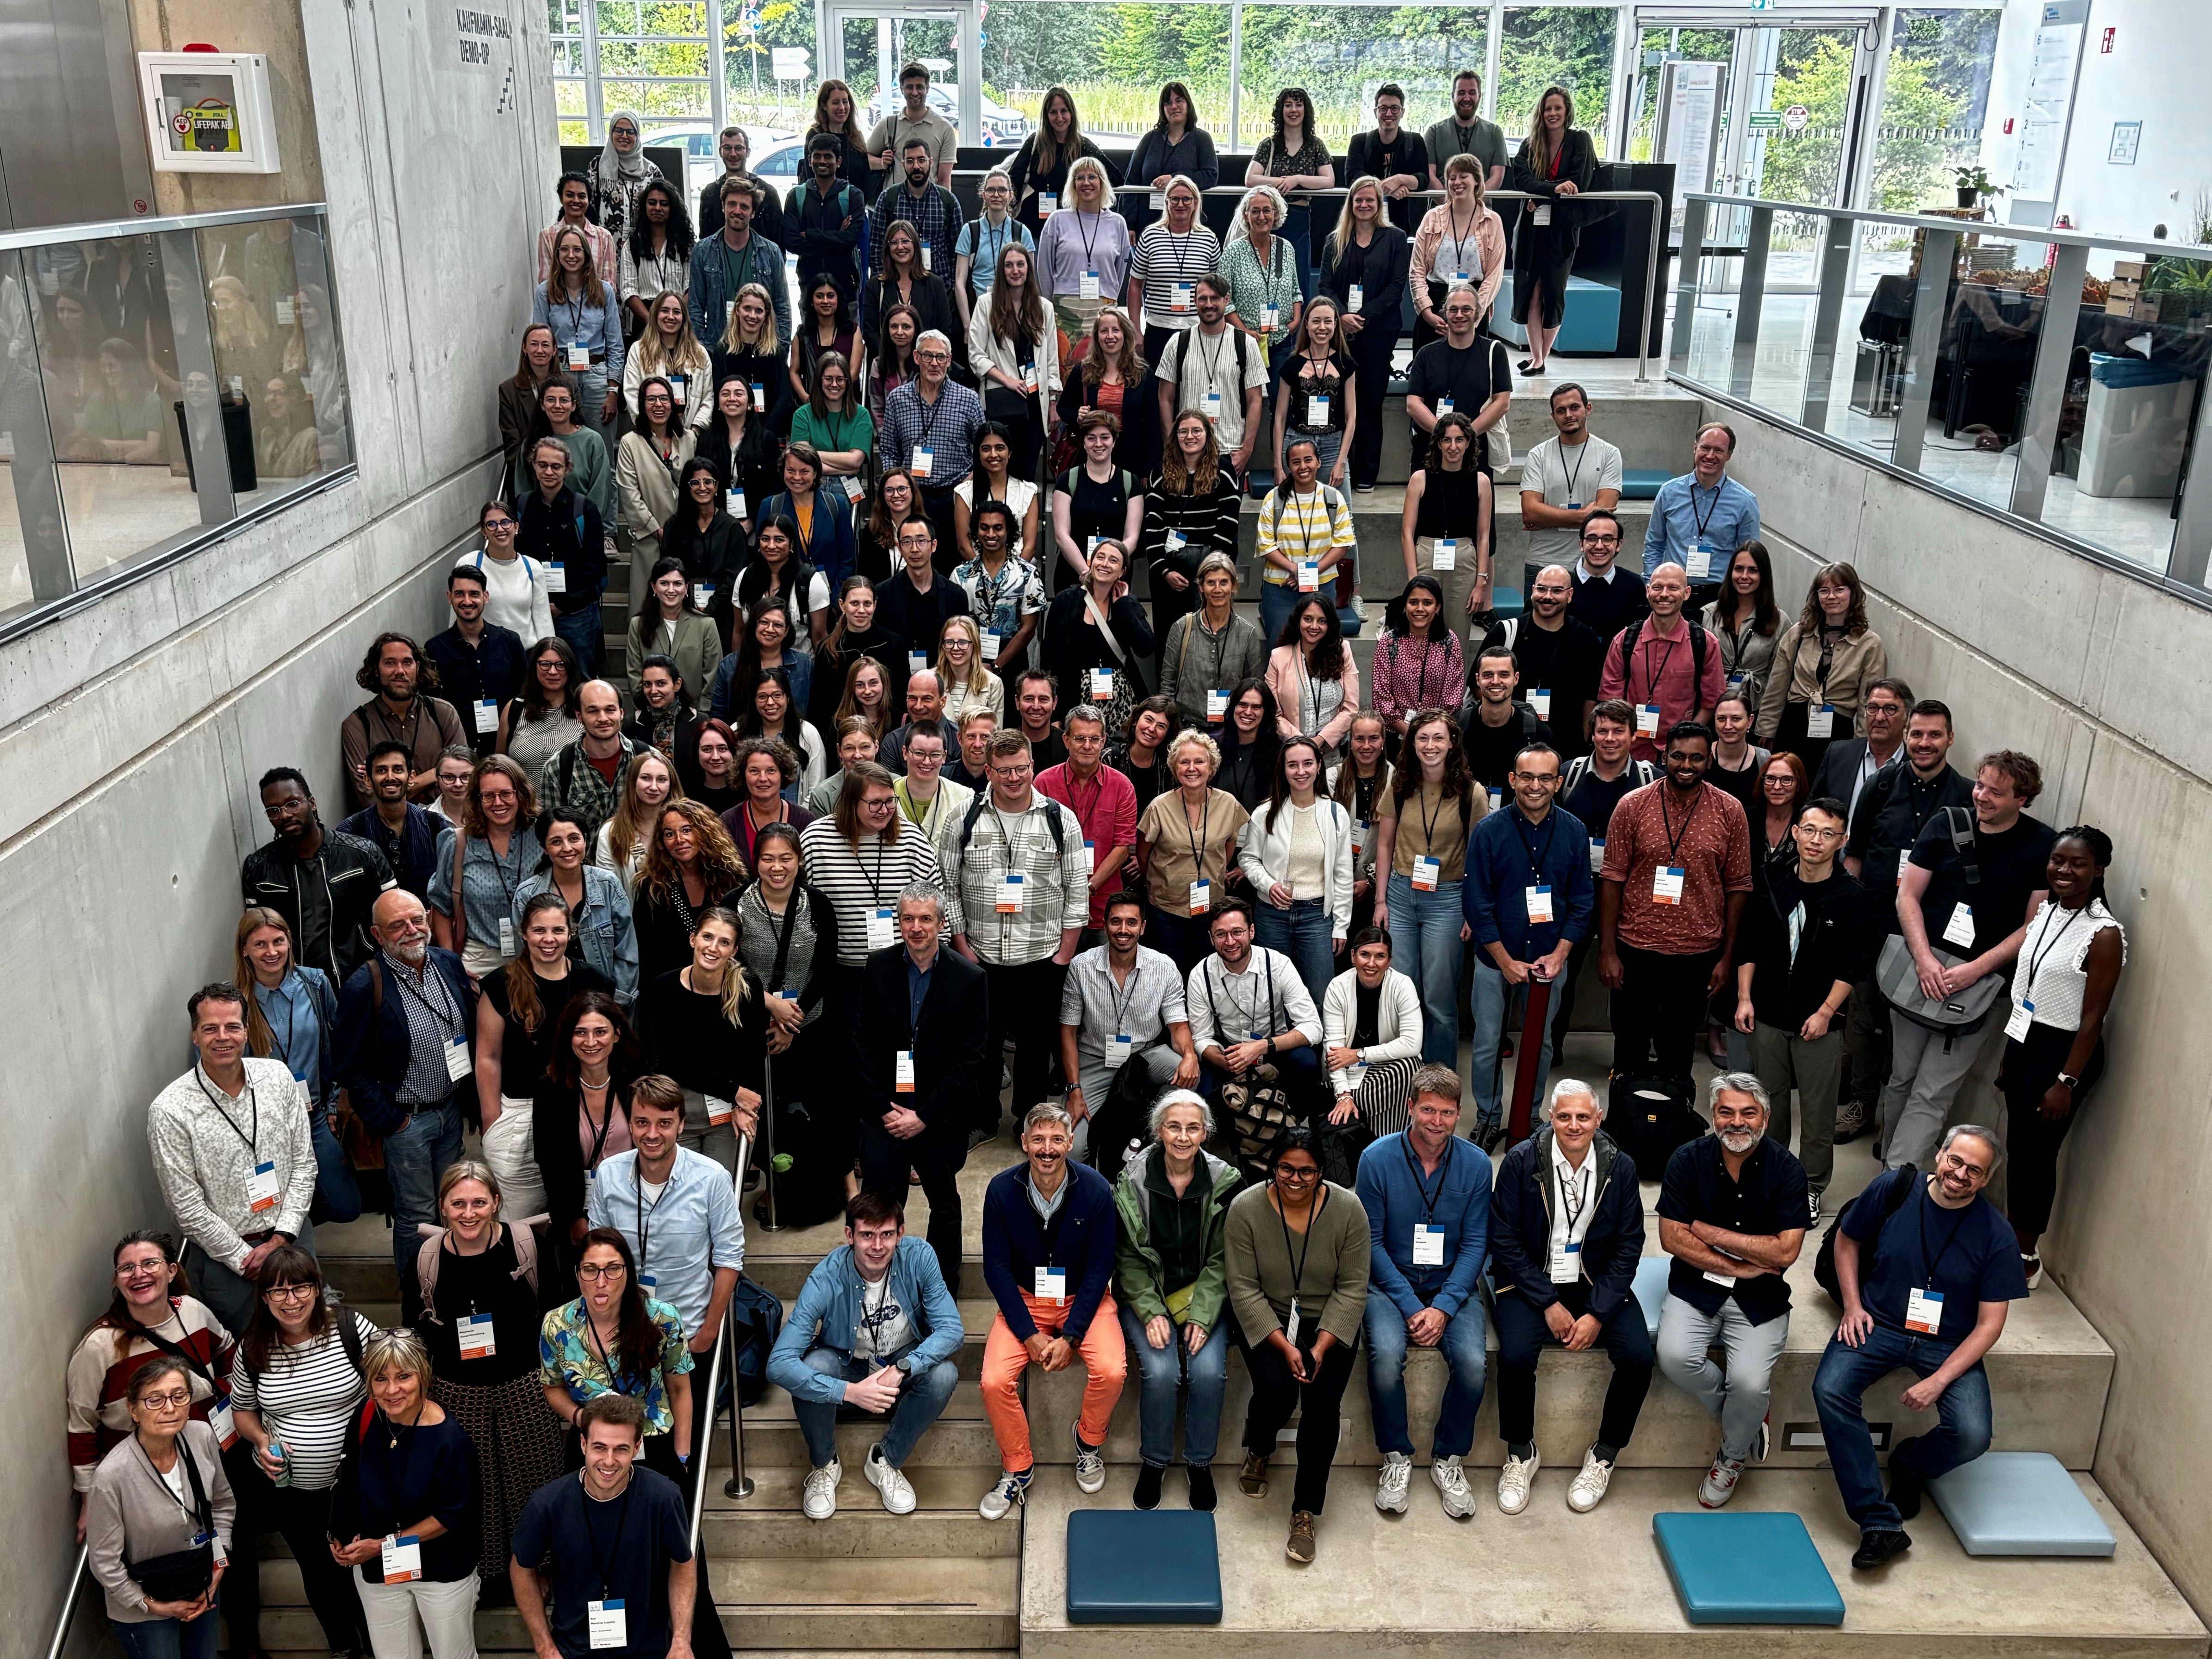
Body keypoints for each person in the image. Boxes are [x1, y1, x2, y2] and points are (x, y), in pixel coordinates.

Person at [1814, 1125, 2027, 1570]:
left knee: (1972, 1434)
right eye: (1956, 1160)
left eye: (1975, 1170)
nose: (1961, 1174)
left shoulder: (1997, 1233)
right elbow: (1847, 1240)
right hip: (1880, 1322)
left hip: (1948, 1342)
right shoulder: (1894, 1187)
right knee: (1830, 1389)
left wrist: (1939, 1380)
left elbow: (1990, 1325)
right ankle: (1878, 1521)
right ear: (1940, 1154)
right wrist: (1852, 1305)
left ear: (1987, 1179)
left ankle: (1911, 1463)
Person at [1883, 751, 2057, 1170]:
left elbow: (2033, 926)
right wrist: (1924, 960)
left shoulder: (2042, 845)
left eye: (1996, 792)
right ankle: (1890, 1175)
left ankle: (1894, 1181)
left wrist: (1975, 970)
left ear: (2022, 799)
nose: (1981, 796)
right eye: (1980, 785)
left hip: (1981, 988)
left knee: (1933, 1092)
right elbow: (1908, 895)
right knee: (1902, 1079)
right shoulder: (1945, 824)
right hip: (1920, 972)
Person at [1488, 1080, 1651, 1513]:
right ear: (1551, 1118)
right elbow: (1504, 1240)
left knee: (1638, 1356)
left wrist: (1597, 1312)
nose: (1574, 1125)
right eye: (1564, 1116)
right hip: (1530, 1279)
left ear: (1599, 1118)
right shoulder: (1521, 1161)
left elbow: (1629, 1244)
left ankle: (1604, 1454)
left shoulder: (1621, 1166)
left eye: (1583, 1116)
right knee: (1515, 1356)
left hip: (1595, 1279)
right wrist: (1548, 1302)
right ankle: (1521, 1452)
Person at [1654, 1075, 1811, 1508]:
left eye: (1748, 1113)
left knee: (1750, 1381)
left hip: (1761, 1297)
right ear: (1714, 1115)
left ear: (1766, 1117)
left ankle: (1733, 1454)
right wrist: (1738, 1265)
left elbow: (1786, 1251)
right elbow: (1671, 1237)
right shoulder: (1687, 1160)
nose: (1737, 1122)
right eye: (1726, 1111)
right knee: (1674, 1358)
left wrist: (1708, 1232)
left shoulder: (1788, 1170)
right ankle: (1745, 1415)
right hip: (1696, 1285)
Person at [767, 1190, 964, 1520]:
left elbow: (951, 1330)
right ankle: (824, 1464)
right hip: (848, 1371)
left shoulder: (920, 1256)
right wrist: (849, 1391)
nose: (877, 1246)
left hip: (897, 1371)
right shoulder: (826, 1277)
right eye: (867, 1235)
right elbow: (779, 1363)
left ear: (900, 1233)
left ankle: (886, 1460)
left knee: (944, 1374)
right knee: (816, 1364)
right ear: (850, 1235)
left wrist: (903, 1368)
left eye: (887, 1234)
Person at [1223, 1126, 1369, 1562]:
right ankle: (1259, 1447)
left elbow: (1353, 1286)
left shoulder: (1349, 1210)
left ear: (1321, 1172)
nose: (1296, 1179)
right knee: (1278, 1389)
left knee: (1322, 1405)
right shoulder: (1245, 1208)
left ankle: (1305, 1510)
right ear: (1273, 1167)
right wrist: (1286, 1347)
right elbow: (1243, 1288)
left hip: (1330, 1318)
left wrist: (1321, 1346)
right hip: (1267, 1314)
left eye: (1307, 1171)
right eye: (1286, 1168)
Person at [976, 1103, 1127, 1520]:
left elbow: (1101, 1266)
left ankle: (1088, 1439)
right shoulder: (1001, 1190)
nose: (1048, 1149)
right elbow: (996, 1268)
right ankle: (1018, 1465)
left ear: (1070, 1142)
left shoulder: (1096, 1189)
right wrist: (1029, 1334)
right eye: (1039, 1139)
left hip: (1083, 1298)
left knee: (1112, 1370)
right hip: (1026, 1298)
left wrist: (1071, 1336)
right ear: (1025, 1142)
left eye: (1057, 1139)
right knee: (993, 1380)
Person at [1354, 1065, 1491, 1518]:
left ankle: (1449, 1458)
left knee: (1473, 1364)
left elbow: (1476, 1244)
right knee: (1386, 1357)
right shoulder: (1375, 1159)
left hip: (1452, 1285)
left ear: (1459, 1113)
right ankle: (1396, 1456)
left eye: (1447, 1113)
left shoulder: (1476, 1164)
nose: (1437, 1121)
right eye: (1428, 1110)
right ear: (1410, 1107)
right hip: (1389, 1286)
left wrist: (1444, 1307)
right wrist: (1413, 1307)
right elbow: (1370, 1243)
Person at [230, 1246, 377, 1659]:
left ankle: (380, 1647)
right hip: (291, 1490)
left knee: (362, 1566)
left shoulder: (350, 1327)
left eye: (300, 1288)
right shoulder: (253, 1347)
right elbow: (242, 1410)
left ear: (317, 1288)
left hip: (357, 1483)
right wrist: (260, 1439)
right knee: (317, 1569)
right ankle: (343, 1646)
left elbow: (390, 1382)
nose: (291, 1300)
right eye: (278, 1291)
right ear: (264, 1297)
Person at [149, 983, 319, 1336]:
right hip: (227, 1264)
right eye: (211, 1028)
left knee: (307, 1339)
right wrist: (244, 1258)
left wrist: (282, 1238)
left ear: (246, 1030)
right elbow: (185, 1207)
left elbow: (304, 1164)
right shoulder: (170, 1110)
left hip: (293, 1239)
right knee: (247, 1352)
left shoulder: (278, 1078)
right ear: (195, 1035)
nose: (223, 1037)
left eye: (232, 1026)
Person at [942, 729, 1088, 1131]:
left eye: (1021, 768)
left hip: (1041, 956)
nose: (1013, 778)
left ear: (1032, 767)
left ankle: (1029, 1117)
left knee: (1036, 1047)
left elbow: (1077, 890)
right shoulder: (963, 817)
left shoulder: (1060, 819)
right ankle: (983, 1120)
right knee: (981, 1046)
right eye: (1003, 770)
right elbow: (947, 888)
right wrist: (963, 948)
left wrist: (1063, 955)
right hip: (980, 956)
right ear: (988, 771)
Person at [1839, 698, 1968, 1141]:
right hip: (1876, 925)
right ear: (1906, 736)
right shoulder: (1880, 786)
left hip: (1931, 937)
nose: (1924, 743)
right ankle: (1861, 1105)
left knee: (1911, 1026)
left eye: (1935, 734)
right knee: (1867, 1017)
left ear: (1950, 738)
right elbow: (1855, 855)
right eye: (1917, 734)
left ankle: (1897, 1123)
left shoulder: (1966, 798)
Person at [1596, 722, 1752, 1087]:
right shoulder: (1632, 805)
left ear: (1710, 760)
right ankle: (1626, 1113)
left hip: (1697, 954)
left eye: (1697, 758)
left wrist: (1727, 957)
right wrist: (1607, 950)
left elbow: (1738, 886)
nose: (1686, 765)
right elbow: (1612, 879)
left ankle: (1674, 1116)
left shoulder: (1730, 811)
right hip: (1636, 948)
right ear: (1664, 756)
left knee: (1679, 1050)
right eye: (1678, 756)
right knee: (1629, 1046)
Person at [1735, 795, 1870, 1218]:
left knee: (1817, 1111)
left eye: (1828, 834)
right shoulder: (1771, 879)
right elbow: (1750, 941)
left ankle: (1809, 1185)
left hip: (1820, 1020)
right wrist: (1744, 997)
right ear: (1795, 832)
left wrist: (1827, 1012)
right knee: (1768, 1102)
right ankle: (1771, 1175)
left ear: (1842, 841)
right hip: (1767, 1013)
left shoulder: (1851, 896)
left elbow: (1854, 963)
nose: (1816, 840)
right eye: (1809, 830)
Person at [1999, 827, 2123, 1283]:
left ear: (2099, 870)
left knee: (2037, 1155)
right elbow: (2029, 986)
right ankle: (2011, 1237)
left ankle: (2026, 1256)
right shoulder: (2045, 910)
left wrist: (2065, 1081)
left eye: (2078, 863)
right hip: (2025, 1039)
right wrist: (2012, 1050)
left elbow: (2093, 1020)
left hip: (2064, 1053)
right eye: (2058, 860)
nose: (2064, 870)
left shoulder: (2103, 934)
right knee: (2018, 1147)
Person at [854, 884, 988, 1290]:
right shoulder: (878, 967)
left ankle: (941, 1288)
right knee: (878, 1207)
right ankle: (876, 1284)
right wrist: (884, 1109)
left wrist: (924, 1116)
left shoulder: (970, 977)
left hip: (940, 1114)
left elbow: (972, 1057)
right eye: (908, 918)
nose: (916, 927)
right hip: (885, 1112)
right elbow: (863, 1041)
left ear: (942, 923)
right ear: (899, 922)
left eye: (926, 919)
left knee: (944, 1205)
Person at [1110, 1090, 1238, 1511]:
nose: (1183, 1137)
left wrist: (1203, 1314)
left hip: (1206, 1295)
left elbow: (1224, 1259)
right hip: (1147, 1295)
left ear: (1205, 1133)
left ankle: (1199, 1462)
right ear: (1159, 1131)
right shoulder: (1132, 1180)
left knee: (1208, 1372)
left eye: (1193, 1128)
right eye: (1174, 1127)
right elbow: (1128, 1258)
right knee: (1162, 1371)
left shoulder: (1223, 1180)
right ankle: (1155, 1461)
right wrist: (1150, 1311)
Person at [336, 891, 473, 1280]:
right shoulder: (365, 985)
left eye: (417, 919)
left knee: (451, 1204)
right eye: (397, 925)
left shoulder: (448, 963)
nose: (411, 930)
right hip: (407, 1122)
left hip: (450, 1111)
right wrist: (392, 1122)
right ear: (378, 935)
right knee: (417, 1213)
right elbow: (349, 1067)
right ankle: (418, 1293)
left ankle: (448, 1281)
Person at [67, 1233, 236, 1541]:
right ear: (117, 1280)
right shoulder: (100, 1346)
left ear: (171, 1271)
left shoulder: (193, 1311)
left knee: (231, 1542)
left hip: (209, 1458)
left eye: (149, 1263)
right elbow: (82, 1427)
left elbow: (227, 1351)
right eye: (127, 1268)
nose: (139, 1274)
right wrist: (90, 1497)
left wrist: (223, 1396)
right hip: (146, 1477)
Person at [1463, 743, 1593, 1142]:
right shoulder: (1488, 831)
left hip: (1549, 957)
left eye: (1545, 778)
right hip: (1494, 958)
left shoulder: (1574, 831)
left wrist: (1560, 954)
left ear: (1558, 782)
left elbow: (1582, 901)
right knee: (1487, 1042)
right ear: (1512, 779)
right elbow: (1477, 903)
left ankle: (1531, 1114)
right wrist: (1504, 960)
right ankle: (1488, 1115)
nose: (1535, 786)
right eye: (1527, 777)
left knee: (1542, 1041)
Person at [326, 1327, 481, 1659]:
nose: (392, 1390)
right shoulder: (366, 1415)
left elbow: (450, 1516)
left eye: (404, 1377)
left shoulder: (449, 1439)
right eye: (380, 1378)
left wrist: (383, 1545)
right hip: (378, 1570)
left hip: (441, 1570)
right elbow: (349, 1477)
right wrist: (338, 1533)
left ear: (422, 1375)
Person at [509, 1395, 696, 1659]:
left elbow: (683, 1563)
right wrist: (544, 1647)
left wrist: (681, 1641)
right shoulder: (548, 1503)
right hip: (574, 1651)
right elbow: (521, 1567)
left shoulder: (663, 1497)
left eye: (621, 1449)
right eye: (600, 1447)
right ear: (583, 1444)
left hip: (646, 1651)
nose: (609, 1461)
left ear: (637, 1447)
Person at [85, 1355, 236, 1659]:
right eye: (154, 1400)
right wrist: (154, 1606)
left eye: (179, 1396)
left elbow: (222, 1502)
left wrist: (219, 1565)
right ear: (133, 1410)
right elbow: (104, 1561)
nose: (170, 1408)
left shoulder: (201, 1436)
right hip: (144, 1605)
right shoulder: (112, 1476)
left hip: (201, 1583)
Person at [475, 894, 613, 1220]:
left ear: (571, 932)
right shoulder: (500, 984)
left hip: (581, 1107)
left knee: (582, 1215)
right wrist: (492, 1120)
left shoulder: (594, 982)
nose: (549, 939)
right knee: (523, 1221)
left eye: (558, 930)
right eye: (539, 930)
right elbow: (488, 1056)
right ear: (524, 933)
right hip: (520, 1114)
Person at [1372, 709, 1481, 1065]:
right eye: (1422, 738)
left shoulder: (1471, 792)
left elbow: (1478, 857)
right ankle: (1403, 1074)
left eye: (1438, 738)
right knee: (1403, 992)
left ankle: (1440, 1078)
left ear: (1452, 743)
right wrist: (1381, 901)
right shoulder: (1400, 785)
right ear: (1412, 742)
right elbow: (1384, 844)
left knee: (1439, 998)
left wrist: (1471, 909)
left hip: (1448, 899)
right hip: (1401, 895)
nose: (1430, 745)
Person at [1546, 702, 1654, 1058]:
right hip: (1573, 892)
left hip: (1628, 895)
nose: (1610, 739)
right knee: (1561, 971)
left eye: (1619, 731)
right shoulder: (1569, 773)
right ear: (1591, 734)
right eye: (1603, 731)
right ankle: (1551, 1046)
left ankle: (1629, 1056)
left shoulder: (1650, 779)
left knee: (1628, 977)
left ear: (1633, 735)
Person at [1059, 893, 1199, 1162]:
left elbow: (1178, 1026)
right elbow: (1068, 1030)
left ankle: (1150, 1130)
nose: (1123, 930)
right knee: (1073, 1150)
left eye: (1131, 923)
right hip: (1095, 1058)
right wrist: (1074, 1089)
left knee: (1187, 1074)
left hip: (1144, 1057)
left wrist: (1190, 1055)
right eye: (1116, 922)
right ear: (1105, 926)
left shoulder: (1164, 967)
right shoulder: (1082, 966)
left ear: (1143, 927)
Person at [632, 906, 767, 1175]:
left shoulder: (748, 988)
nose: (713, 948)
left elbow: (754, 1054)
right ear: (693, 939)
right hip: (678, 1110)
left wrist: (744, 1104)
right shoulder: (664, 988)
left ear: (734, 951)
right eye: (707, 937)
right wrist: (734, 1092)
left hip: (729, 1112)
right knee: (679, 1191)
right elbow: (668, 1062)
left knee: (721, 1189)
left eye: (724, 942)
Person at [530, 996, 646, 1278]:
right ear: (568, 1037)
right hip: (578, 1213)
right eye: (580, 1032)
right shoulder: (550, 1090)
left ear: (617, 1034)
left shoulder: (638, 1081)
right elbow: (549, 1161)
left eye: (600, 1032)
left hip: (636, 1208)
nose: (591, 1042)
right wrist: (572, 1218)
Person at [1236, 734, 1355, 1007]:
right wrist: (1269, 885)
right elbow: (1248, 859)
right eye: (1293, 765)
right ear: (1283, 770)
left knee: (1319, 995)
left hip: (1317, 917)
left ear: (1319, 767)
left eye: (1308, 764)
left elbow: (1343, 874)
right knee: (1272, 995)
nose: (1301, 771)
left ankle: (1317, 1038)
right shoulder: (1265, 813)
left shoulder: (1335, 813)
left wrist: (1341, 926)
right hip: (1272, 915)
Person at [1186, 899, 1326, 1116]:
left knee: (1306, 1062)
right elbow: (1201, 1038)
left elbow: (1313, 1028)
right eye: (1221, 934)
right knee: (1203, 1093)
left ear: (1251, 931)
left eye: (1237, 932)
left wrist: (1262, 1047)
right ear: (1211, 939)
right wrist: (1226, 1062)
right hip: (1229, 1053)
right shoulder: (1200, 975)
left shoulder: (1278, 964)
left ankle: (1292, 1123)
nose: (1230, 941)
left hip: (1273, 1047)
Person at [1316, 178, 1407, 498]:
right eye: (1359, 200)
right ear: (1350, 204)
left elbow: (1397, 287)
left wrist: (1363, 317)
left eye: (1370, 200)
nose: (1364, 205)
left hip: (1379, 332)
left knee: (1369, 401)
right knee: (1337, 402)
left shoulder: (1395, 238)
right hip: (1339, 333)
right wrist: (1341, 316)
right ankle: (1336, 468)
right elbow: (1325, 286)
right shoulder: (1335, 240)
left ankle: (1366, 473)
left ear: (1379, 204)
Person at [1755, 562, 1891, 774]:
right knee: (1787, 784)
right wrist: (1767, 730)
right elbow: (1776, 687)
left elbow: (1868, 703)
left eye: (1839, 590)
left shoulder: (1870, 644)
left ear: (1853, 593)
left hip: (1838, 731)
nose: (1831, 597)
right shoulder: (1799, 633)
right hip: (1794, 724)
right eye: (1824, 591)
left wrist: (1862, 746)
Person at [1134, 728, 1250, 974]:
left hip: (1212, 909)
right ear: (1175, 767)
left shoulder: (1228, 804)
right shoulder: (1159, 807)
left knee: (1207, 974)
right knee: (1169, 975)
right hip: (1166, 909)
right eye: (1184, 762)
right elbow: (1144, 854)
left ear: (1211, 766)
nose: (1192, 768)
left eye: (1199, 761)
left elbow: (1228, 849)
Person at [1506, 86, 1598, 375]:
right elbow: (1522, 179)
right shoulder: (1530, 143)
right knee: (1531, 292)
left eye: (1558, 108)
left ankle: (1540, 357)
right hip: (1531, 229)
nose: (1553, 114)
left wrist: (1544, 194)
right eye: (1548, 109)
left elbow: (1579, 181)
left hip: (1561, 229)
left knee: (1553, 293)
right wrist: (1553, 189)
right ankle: (1538, 357)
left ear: (1567, 111)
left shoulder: (1580, 141)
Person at [427, 755, 544, 979]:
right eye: (488, 796)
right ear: (477, 799)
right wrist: (452, 964)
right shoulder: (459, 843)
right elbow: (441, 906)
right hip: (481, 960)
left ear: (521, 794)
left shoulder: (542, 836)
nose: (498, 803)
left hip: (541, 954)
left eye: (506, 794)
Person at [513, 807, 640, 1007]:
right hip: (546, 1002)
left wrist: (615, 1003)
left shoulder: (608, 885)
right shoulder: (527, 895)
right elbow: (522, 956)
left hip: (604, 1002)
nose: (567, 848)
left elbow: (627, 952)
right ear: (544, 847)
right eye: (556, 842)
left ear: (586, 840)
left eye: (574, 839)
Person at [1600, 563, 1725, 764]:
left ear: (1687, 593)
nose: (1664, 594)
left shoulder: (1705, 643)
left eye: (1673, 588)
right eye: (1658, 587)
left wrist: (1686, 738)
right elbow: (1610, 699)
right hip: (1631, 750)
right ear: (1648, 591)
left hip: (1679, 754)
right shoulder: (1624, 641)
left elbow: (1711, 702)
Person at [1482, 564, 1605, 760]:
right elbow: (1479, 684)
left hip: (1566, 743)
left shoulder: (1586, 640)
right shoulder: (1505, 633)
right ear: (1533, 591)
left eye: (1557, 591)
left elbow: (1590, 694)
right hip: (1510, 738)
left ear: (1570, 595)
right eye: (1542, 589)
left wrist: (1584, 736)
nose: (1548, 596)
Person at [1145, 441, 1247, 677]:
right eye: (1184, 431)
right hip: (1169, 570)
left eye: (1196, 431)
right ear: (1176, 437)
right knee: (1170, 640)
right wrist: (1164, 571)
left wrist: (1211, 571)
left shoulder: (1223, 470)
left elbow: (1229, 521)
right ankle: (1168, 696)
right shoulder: (1160, 471)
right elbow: (1153, 524)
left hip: (1212, 569)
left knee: (1213, 637)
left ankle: (1212, 694)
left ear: (1206, 435)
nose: (1190, 437)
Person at [514, 434, 612, 675]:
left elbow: (595, 566)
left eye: (556, 466)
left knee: (581, 678)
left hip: (577, 614)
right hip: (532, 611)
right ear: (533, 465)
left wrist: (560, 605)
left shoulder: (584, 508)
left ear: (568, 468)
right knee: (535, 680)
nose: (549, 472)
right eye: (543, 465)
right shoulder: (521, 506)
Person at [1155, 276, 1268, 481]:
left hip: (1230, 451)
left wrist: (1246, 451)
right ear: (1195, 301)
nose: (1208, 305)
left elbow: (1255, 401)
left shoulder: (1246, 344)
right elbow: (1165, 398)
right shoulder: (1178, 342)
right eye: (1202, 299)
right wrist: (1171, 446)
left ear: (1226, 300)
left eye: (1215, 298)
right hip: (1188, 451)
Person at [879, 330, 985, 548]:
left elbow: (984, 448)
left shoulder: (969, 399)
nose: (934, 363)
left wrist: (971, 479)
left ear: (949, 360)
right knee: (916, 557)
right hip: (913, 498)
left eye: (941, 357)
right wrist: (899, 484)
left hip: (955, 497)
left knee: (954, 559)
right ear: (917, 358)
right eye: (928, 356)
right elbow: (888, 449)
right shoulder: (897, 399)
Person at [341, 633, 470, 811]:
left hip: (445, 820)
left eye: (407, 663)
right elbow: (370, 797)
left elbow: (463, 778)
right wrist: (436, 773)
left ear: (418, 668)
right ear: (376, 669)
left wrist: (394, 787)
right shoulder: (359, 725)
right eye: (390, 663)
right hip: (387, 826)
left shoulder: (442, 713)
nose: (400, 671)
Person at [1405, 281, 1510, 483]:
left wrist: (1465, 438)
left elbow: (1502, 403)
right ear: (1445, 314)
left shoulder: (1494, 352)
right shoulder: (1426, 354)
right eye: (1453, 310)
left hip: (1476, 450)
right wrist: (1445, 437)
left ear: (1478, 313)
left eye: (1466, 309)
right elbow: (1413, 404)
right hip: (1432, 448)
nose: (1459, 315)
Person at [430, 559, 532, 762]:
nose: (467, 601)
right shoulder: (435, 649)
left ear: (486, 597)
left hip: (508, 748)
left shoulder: (510, 642)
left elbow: (525, 694)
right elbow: (432, 706)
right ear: (449, 597)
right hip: (460, 752)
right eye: (460, 594)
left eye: (474, 594)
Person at [1519, 383, 1624, 572]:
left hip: (1591, 563)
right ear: (1553, 416)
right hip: (1542, 561)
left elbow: (1603, 517)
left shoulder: (1609, 454)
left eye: (1575, 408)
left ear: (1588, 409)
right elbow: (1530, 512)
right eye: (1561, 411)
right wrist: (1583, 516)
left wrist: (1546, 519)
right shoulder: (1538, 455)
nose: (1568, 415)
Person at [688, 173, 791, 354]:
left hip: (760, 350)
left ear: (753, 213)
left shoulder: (771, 253)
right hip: (716, 348)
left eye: (744, 206)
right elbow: (695, 308)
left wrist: (780, 351)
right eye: (732, 204)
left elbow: (782, 308)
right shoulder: (703, 252)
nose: (737, 211)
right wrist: (702, 352)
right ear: (723, 207)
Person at [1643, 423, 1760, 582]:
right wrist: (1651, 582)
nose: (1710, 456)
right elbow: (1654, 545)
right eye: (1705, 448)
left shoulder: (1745, 502)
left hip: (1719, 592)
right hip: (1673, 590)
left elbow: (1750, 557)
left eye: (1719, 451)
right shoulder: (1669, 493)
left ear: (1729, 455)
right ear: (1695, 448)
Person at [1222, 184, 1303, 413]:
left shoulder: (1286, 249)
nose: (1261, 217)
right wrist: (1244, 331)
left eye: (1267, 210)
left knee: (1283, 404)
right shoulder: (1233, 252)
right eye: (1255, 211)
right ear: (1246, 216)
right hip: (1245, 342)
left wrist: (1296, 321)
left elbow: (1295, 291)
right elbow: (1225, 302)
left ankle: (1279, 440)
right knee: (1242, 405)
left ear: (1276, 214)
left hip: (1280, 341)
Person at [534, 226, 623, 432]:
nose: (571, 255)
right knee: (563, 443)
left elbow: (616, 345)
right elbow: (541, 344)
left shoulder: (604, 291)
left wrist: (613, 391)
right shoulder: (545, 292)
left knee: (601, 443)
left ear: (586, 254)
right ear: (557, 254)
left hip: (597, 377)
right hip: (561, 375)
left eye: (577, 249)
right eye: (565, 249)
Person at [1125, 178, 1221, 368]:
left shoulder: (1208, 239)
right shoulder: (1150, 236)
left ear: (1195, 203)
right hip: (1158, 329)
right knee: (1158, 385)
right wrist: (1136, 331)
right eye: (1175, 199)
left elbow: (1218, 290)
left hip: (1197, 329)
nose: (1180, 204)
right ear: (1166, 202)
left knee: (1195, 384)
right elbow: (1135, 286)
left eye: (1187, 199)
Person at [1035, 157, 1132, 341]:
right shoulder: (1057, 220)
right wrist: (1051, 305)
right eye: (1080, 178)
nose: (1086, 183)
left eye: (1092, 177)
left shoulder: (1118, 223)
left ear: (1102, 182)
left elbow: (1119, 271)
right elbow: (1044, 268)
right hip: (1064, 312)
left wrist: (1108, 292)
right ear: (1073, 185)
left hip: (1104, 311)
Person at [536, 680, 641, 847]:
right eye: (593, 711)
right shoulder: (558, 768)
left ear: (621, 713)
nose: (603, 718)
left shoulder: (647, 760)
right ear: (579, 716)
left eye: (610, 710)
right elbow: (552, 835)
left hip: (642, 861)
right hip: (585, 863)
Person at [338, 741, 443, 906]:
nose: (390, 777)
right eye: (381, 771)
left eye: (398, 770)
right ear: (368, 780)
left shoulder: (435, 825)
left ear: (411, 777)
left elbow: (448, 888)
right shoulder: (350, 832)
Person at [1007, 87, 1115, 238]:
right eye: (1053, 112)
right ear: (1046, 116)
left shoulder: (1083, 146)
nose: (1059, 117)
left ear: (1071, 113)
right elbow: (1014, 179)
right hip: (1032, 229)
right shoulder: (1036, 142)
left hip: (1071, 228)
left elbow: (1115, 177)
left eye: (1064, 111)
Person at [1811, 675, 1913, 827]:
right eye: (1873, 708)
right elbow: (1813, 809)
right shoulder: (1838, 754)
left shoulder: (1915, 766)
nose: (1879, 717)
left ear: (1907, 717)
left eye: (1890, 709)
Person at [616, 381, 698, 565]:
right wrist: (657, 531)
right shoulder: (630, 443)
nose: (658, 404)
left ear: (672, 404)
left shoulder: (689, 439)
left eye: (664, 399)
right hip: (650, 537)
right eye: (651, 399)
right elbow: (630, 494)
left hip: (688, 535)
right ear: (642, 406)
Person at [467, 498, 560, 657]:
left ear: (516, 527)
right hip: (485, 655)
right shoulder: (470, 564)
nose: (500, 529)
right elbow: (459, 616)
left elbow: (544, 621)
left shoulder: (532, 568)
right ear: (484, 532)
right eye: (492, 524)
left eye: (506, 522)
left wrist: (548, 658)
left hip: (525, 655)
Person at [1459, 645, 1554, 794]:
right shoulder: (1458, 728)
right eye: (1488, 675)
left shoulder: (1537, 732)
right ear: (1478, 679)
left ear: (1516, 679)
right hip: (1465, 807)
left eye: (1504, 675)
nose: (1496, 681)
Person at [1701, 541, 1783, 713]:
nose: (1744, 576)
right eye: (1739, 569)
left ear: (1764, 575)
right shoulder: (1708, 614)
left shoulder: (1780, 621)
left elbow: (1778, 680)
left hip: (1756, 709)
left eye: (1753, 570)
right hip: (1713, 709)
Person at [951, 168, 1035, 332]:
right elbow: (960, 282)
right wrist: (968, 326)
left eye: (1002, 190)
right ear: (984, 195)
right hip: (978, 313)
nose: (996, 195)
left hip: (1014, 314)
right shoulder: (970, 231)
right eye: (991, 190)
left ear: (1011, 195)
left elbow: (1030, 279)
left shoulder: (1022, 232)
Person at [624, 289, 712, 429]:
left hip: (692, 434)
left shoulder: (700, 353)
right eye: (665, 311)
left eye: (677, 312)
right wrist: (652, 432)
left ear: (684, 317)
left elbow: (708, 399)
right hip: (651, 433)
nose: (671, 317)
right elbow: (633, 395)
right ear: (655, 315)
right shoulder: (638, 351)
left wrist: (694, 432)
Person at [501, 638, 585, 783]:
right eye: (545, 664)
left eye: (561, 665)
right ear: (534, 666)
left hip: (572, 797)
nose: (553, 672)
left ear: (570, 667)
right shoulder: (515, 708)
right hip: (524, 797)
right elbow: (500, 765)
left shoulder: (584, 709)